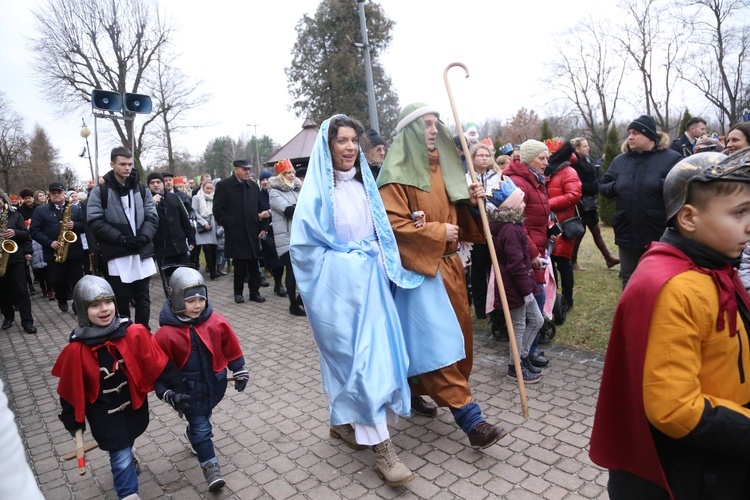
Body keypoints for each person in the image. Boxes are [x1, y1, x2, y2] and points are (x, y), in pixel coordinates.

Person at [590, 151, 750, 499]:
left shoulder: (713, 268)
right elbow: (674, 407)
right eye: (739, 213)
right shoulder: (675, 286)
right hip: (696, 471)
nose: (749, 224)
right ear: (689, 218)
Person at [291, 115, 435, 486]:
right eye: (342, 141)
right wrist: (350, 262)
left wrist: (411, 223)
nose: (350, 147)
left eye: (354, 140)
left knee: (376, 358)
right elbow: (305, 250)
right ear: (328, 146)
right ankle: (383, 450)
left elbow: (381, 232)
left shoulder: (364, 186)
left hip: (373, 290)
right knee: (357, 363)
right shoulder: (316, 194)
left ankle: (342, 423)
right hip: (338, 294)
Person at [378, 103, 507, 449]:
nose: (433, 130)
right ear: (409, 133)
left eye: (435, 123)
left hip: (451, 267)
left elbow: (460, 216)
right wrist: (436, 232)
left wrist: (471, 200)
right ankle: (472, 419)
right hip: (420, 273)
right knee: (437, 345)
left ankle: (417, 389)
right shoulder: (394, 178)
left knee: (459, 339)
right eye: (426, 125)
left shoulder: (446, 170)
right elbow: (391, 226)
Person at [52, 275, 188, 500]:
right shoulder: (75, 351)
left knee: (127, 442)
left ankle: (129, 457)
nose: (104, 309)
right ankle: (128, 494)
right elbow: (70, 391)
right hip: (103, 414)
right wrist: (73, 420)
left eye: (108, 302)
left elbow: (157, 362)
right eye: (94, 305)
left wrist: (179, 387)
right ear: (83, 310)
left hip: (134, 406)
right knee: (120, 453)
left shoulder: (133, 332)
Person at [154, 267, 249, 492]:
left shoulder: (215, 321)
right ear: (176, 299)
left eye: (201, 299)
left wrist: (239, 369)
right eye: (190, 300)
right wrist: (166, 392)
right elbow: (157, 368)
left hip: (214, 385)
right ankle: (210, 468)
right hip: (188, 391)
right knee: (202, 427)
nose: (197, 305)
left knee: (204, 416)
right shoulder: (165, 335)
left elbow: (230, 345)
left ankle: (193, 433)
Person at [599, 115, 682, 288]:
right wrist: (616, 186)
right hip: (626, 230)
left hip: (658, 232)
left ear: (650, 136)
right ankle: (630, 314)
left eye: (636, 133)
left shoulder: (672, 158)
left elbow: (681, 188)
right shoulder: (620, 161)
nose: (630, 136)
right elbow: (604, 186)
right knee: (628, 278)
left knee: (659, 279)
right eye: (629, 132)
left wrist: (658, 184)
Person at [86, 147, 159, 329]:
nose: (127, 168)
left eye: (129, 164)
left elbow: (152, 216)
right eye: (122, 164)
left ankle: (143, 333)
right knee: (121, 299)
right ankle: (125, 334)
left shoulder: (142, 189)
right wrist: (122, 239)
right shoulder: (100, 191)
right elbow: (95, 221)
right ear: (112, 164)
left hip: (141, 251)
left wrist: (144, 237)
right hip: (118, 253)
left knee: (143, 298)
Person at [486, 177, 543, 383]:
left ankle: (523, 356)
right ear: (511, 205)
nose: (524, 204)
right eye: (520, 201)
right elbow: (514, 264)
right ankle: (514, 367)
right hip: (514, 286)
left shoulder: (513, 224)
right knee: (518, 325)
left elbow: (521, 258)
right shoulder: (510, 229)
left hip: (521, 282)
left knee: (537, 320)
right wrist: (526, 291)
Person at [504, 140, 553, 368]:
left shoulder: (536, 180)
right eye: (542, 158)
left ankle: (528, 351)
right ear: (529, 158)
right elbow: (518, 222)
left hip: (537, 247)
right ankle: (522, 355)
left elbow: (537, 215)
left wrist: (550, 230)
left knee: (538, 299)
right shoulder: (518, 182)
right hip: (526, 252)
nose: (546, 162)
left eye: (547, 158)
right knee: (534, 300)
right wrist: (532, 252)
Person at [213, 159, 269, 304]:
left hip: (253, 231)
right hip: (236, 232)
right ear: (236, 169)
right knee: (239, 265)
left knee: (253, 264)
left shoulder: (252, 186)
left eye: (249, 169)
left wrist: (263, 226)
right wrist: (230, 223)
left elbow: (261, 207)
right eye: (244, 169)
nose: (247, 172)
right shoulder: (224, 185)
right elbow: (218, 210)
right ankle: (238, 292)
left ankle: (254, 292)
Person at [30, 181, 86, 313]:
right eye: (53, 192)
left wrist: (75, 225)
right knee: (57, 280)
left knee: (77, 280)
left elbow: (85, 226)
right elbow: (34, 231)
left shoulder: (76, 208)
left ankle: (77, 304)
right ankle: (61, 297)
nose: (57, 195)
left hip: (74, 252)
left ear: (64, 193)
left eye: (59, 192)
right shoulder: (40, 210)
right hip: (53, 252)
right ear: (49, 194)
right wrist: (49, 242)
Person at [570, 137, 620, 270]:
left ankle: (608, 258)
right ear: (577, 149)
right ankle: (572, 260)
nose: (588, 148)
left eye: (587, 145)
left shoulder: (589, 160)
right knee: (580, 232)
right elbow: (577, 183)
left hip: (590, 202)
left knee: (596, 231)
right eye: (585, 146)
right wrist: (594, 185)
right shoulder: (574, 164)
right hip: (581, 202)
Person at [545, 140, 582, 310]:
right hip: (547, 222)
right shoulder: (548, 171)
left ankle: (567, 298)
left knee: (563, 262)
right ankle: (553, 297)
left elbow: (574, 195)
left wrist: (548, 203)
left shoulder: (568, 171)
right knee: (550, 262)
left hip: (562, 222)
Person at [268, 159, 306, 316]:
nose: (292, 175)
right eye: (288, 173)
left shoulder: (298, 189)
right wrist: (302, 207)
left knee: (304, 270)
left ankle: (300, 299)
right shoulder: (274, 192)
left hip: (301, 235)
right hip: (286, 237)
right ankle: (293, 304)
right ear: (281, 175)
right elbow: (288, 210)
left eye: (293, 172)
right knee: (291, 271)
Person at [466, 143, 499, 319]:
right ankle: (480, 308)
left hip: (494, 228)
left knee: (493, 269)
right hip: (477, 229)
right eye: (480, 155)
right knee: (478, 270)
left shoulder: (498, 177)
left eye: (487, 155)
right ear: (472, 158)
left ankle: (494, 307)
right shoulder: (466, 178)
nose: (485, 158)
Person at [0, 190, 36, 334]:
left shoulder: (15, 216)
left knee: (21, 290)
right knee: (2, 292)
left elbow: (26, 234)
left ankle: (27, 321)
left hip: (15, 259)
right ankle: (8, 317)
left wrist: (15, 233)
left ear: (3, 200)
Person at [147, 172, 195, 270]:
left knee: (184, 276)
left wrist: (191, 239)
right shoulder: (146, 201)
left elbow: (184, 219)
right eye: (152, 183)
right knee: (168, 279)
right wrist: (152, 203)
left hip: (179, 246)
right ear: (148, 185)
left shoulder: (174, 197)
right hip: (161, 248)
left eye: (158, 182)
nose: (155, 185)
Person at [257, 169, 286, 296]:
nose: (265, 182)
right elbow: (257, 213)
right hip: (267, 232)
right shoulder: (258, 195)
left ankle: (279, 284)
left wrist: (271, 215)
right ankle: (278, 283)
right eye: (262, 180)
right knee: (273, 259)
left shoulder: (278, 192)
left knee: (282, 259)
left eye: (267, 179)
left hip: (282, 230)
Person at [191, 180, 221, 279]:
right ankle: (212, 271)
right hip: (203, 226)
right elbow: (195, 212)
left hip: (213, 225)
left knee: (214, 248)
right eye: (207, 188)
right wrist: (204, 223)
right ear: (203, 188)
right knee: (207, 249)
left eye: (210, 188)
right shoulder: (197, 197)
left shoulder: (215, 197)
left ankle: (214, 269)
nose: (209, 190)